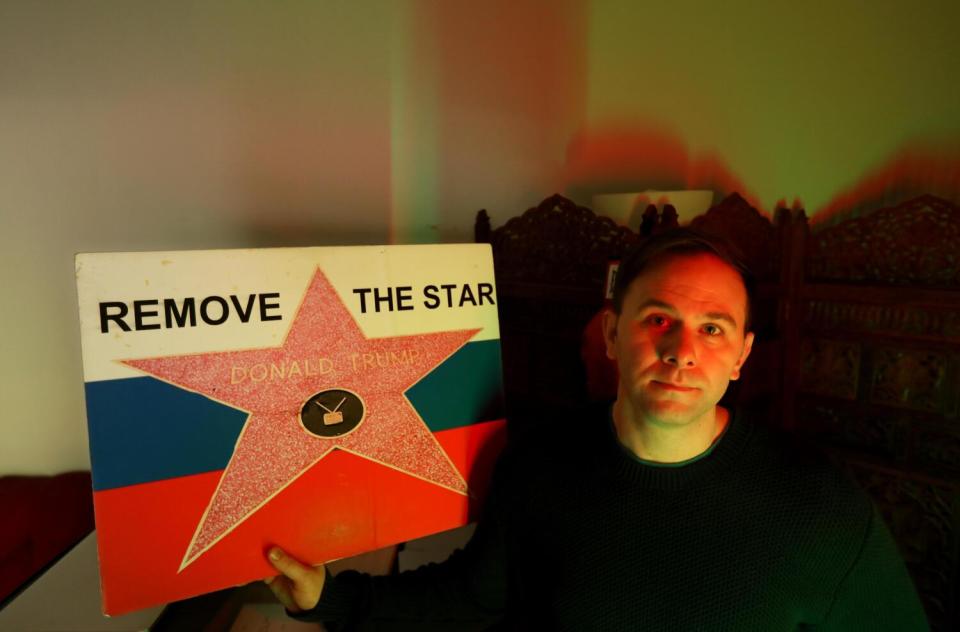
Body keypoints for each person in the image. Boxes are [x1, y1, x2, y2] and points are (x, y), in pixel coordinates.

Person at [264, 229, 930, 631]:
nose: (681, 350)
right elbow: (472, 599)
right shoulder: (540, 464)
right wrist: (329, 596)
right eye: (658, 319)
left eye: (712, 328)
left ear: (742, 356)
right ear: (612, 333)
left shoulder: (820, 509)